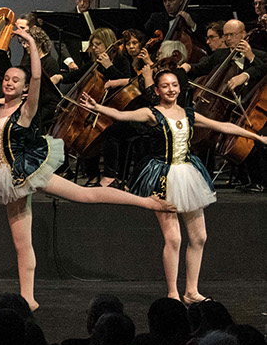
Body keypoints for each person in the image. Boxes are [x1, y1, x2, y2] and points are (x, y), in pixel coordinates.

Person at [0, 24, 167, 310]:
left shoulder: (26, 109)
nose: (9, 83)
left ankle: (146, 202)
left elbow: (36, 76)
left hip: (29, 168)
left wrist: (31, 44)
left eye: (15, 80)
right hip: (9, 178)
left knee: (84, 195)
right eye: (6, 79)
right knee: (22, 242)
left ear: (24, 88)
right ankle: (29, 298)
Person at [85, 69, 267, 303]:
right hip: (164, 177)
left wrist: (257, 137)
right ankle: (173, 293)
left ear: (180, 88)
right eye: (165, 86)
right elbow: (121, 115)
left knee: (199, 237)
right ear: (157, 90)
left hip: (188, 174)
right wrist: (98, 108)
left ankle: (191, 292)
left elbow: (223, 126)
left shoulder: (189, 114)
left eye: (174, 85)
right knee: (174, 239)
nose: (171, 89)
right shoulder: (152, 113)